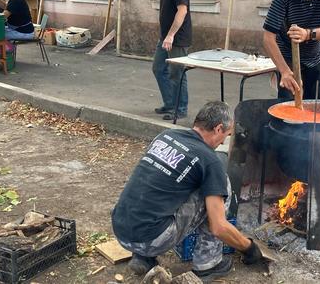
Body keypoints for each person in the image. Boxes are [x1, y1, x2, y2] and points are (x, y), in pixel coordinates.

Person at [111, 101, 263, 280]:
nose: (224, 141)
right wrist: (249, 247)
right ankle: (209, 265)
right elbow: (219, 226)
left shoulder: (166, 135)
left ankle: (143, 257)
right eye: (227, 135)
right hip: (151, 239)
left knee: (168, 186)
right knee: (222, 187)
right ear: (218, 128)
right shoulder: (209, 160)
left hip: (121, 230)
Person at [151, 0, 192, 121]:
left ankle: (180, 109)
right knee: (158, 68)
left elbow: (182, 11)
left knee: (177, 73)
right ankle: (169, 104)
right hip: (166, 37)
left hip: (177, 39)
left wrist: (170, 36)